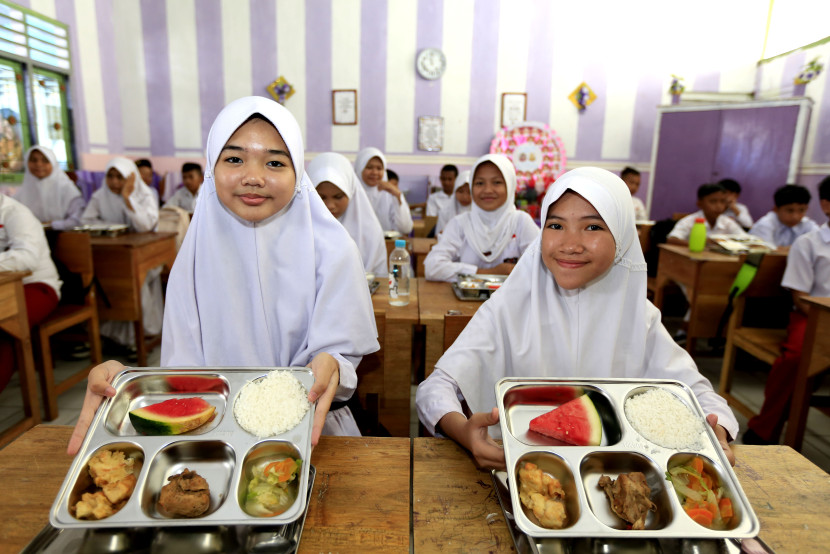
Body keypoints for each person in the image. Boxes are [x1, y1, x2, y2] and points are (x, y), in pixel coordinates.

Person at [68, 96, 379, 455]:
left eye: (275, 162)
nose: (253, 177)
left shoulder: (334, 249)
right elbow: (184, 370)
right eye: (234, 159)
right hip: (214, 433)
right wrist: (124, 385)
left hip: (314, 429)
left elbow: (340, 354)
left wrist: (334, 365)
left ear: (297, 175)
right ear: (211, 168)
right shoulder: (196, 252)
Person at [416, 167, 738, 470]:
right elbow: (435, 389)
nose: (570, 245)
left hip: (613, 472)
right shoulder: (510, 305)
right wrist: (464, 433)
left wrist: (719, 430)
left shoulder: (640, 315)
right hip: (519, 471)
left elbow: (699, 394)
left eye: (593, 227)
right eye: (555, 226)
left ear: (623, 238)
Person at [743, 176, 830, 445]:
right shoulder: (810, 243)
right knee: (795, 358)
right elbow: (802, 299)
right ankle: (765, 428)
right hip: (814, 316)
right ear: (826, 204)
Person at [81, 157, 162, 350]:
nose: (115, 182)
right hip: (112, 255)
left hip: (143, 254)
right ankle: (111, 335)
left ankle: (139, 336)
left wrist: (128, 197)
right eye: (111, 176)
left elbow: (145, 226)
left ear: (130, 177)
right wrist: (112, 228)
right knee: (109, 282)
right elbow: (87, 221)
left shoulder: (144, 195)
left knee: (133, 282)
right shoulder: (100, 196)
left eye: (120, 177)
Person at [423, 154, 539, 282]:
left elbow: (541, 267)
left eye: (497, 182)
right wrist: (488, 273)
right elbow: (432, 267)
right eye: (479, 183)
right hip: (464, 300)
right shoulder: (460, 223)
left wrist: (465, 273)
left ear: (510, 185)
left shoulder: (521, 222)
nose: (488, 190)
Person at [0, 194, 61, 392]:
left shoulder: (15, 213)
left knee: (5, 329)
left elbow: (27, 259)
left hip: (37, 286)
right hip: (6, 288)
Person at [308, 151, 387, 277]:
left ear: (351, 193)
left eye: (338, 197)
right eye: (321, 197)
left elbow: (379, 279)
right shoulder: (296, 228)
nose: (330, 205)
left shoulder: (370, 232)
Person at [14, 146, 84, 230]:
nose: (38, 164)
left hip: (63, 237)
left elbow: (79, 219)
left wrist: (52, 225)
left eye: (45, 161)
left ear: (53, 163)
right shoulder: (22, 191)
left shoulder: (66, 188)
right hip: (30, 237)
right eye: (33, 160)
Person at [354, 147, 413, 235]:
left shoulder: (389, 194)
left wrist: (398, 196)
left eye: (379, 168)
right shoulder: (351, 194)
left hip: (386, 245)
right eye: (369, 167)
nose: (374, 172)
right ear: (359, 169)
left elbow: (405, 229)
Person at [667, 183, 746, 245]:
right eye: (713, 201)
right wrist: (702, 244)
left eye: (722, 202)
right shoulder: (690, 221)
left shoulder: (727, 222)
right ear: (700, 204)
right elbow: (672, 239)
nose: (719, 206)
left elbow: (745, 238)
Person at [748, 184, 818, 247]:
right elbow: (768, 255)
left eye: (801, 210)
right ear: (776, 209)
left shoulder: (807, 224)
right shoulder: (764, 225)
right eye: (790, 211)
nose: (795, 216)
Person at [435, 169, 472, 236]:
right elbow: (438, 236)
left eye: (470, 192)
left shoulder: (482, 212)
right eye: (460, 191)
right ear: (455, 191)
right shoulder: (445, 212)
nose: (465, 197)